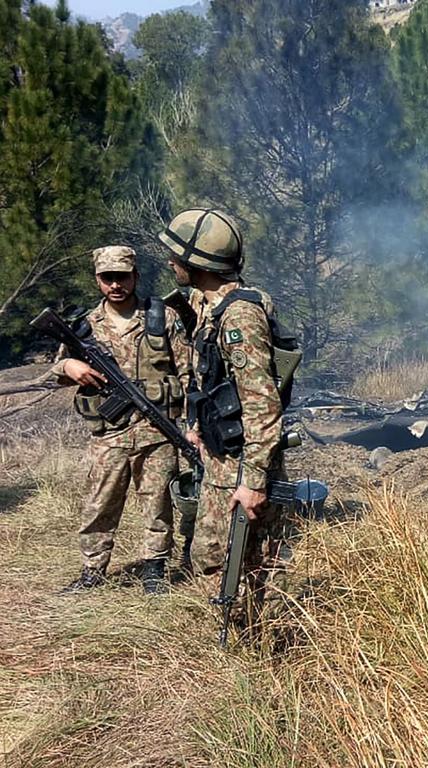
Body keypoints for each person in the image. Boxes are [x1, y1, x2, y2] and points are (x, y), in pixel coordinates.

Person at [158, 208, 292, 613]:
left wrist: (252, 482)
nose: (171, 263)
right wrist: (197, 425)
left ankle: (251, 645)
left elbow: (262, 405)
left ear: (199, 263)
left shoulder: (239, 317)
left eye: (178, 257)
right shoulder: (210, 304)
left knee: (239, 565)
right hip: (220, 459)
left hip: (240, 465)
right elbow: (210, 377)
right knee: (214, 558)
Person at [55, 246, 190, 594]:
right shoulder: (84, 326)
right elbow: (56, 369)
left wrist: (192, 426)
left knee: (157, 504)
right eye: (107, 278)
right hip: (109, 434)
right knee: (100, 503)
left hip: (158, 430)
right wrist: (69, 366)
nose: (115, 285)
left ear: (135, 277)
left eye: (122, 277)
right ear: (98, 280)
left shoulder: (162, 318)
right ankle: (93, 570)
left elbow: (188, 374)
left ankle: (154, 569)